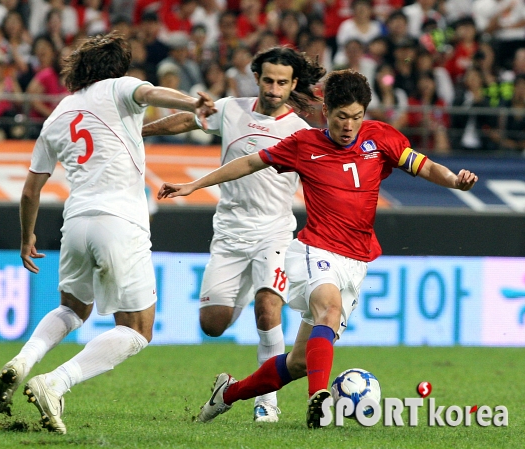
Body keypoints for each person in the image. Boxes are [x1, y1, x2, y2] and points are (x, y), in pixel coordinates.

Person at [156, 69, 478, 428]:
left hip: (356, 261)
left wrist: (454, 180)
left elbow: (424, 165)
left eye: (356, 117)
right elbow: (249, 162)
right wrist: (194, 185)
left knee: (298, 362)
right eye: (341, 117)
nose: (349, 125)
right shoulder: (304, 144)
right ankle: (319, 399)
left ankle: (227, 394)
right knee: (329, 309)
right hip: (315, 250)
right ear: (327, 112)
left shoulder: (380, 137)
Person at [0, 31, 215, 433]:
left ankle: (23, 361)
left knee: (72, 308)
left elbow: (30, 190)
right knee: (137, 329)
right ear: (116, 68)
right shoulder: (119, 88)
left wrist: (27, 238)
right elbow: (150, 93)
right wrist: (193, 99)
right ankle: (55, 382)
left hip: (75, 222)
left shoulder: (58, 114)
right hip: (120, 220)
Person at [142, 46, 326, 423]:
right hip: (229, 233)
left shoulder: (301, 133)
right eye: (269, 80)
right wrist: (139, 131)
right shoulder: (230, 109)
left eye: (283, 83)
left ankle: (267, 402)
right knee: (212, 324)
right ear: (256, 78)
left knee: (267, 306)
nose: (274, 89)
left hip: (274, 232)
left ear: (293, 85)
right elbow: (188, 121)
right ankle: (247, 302)